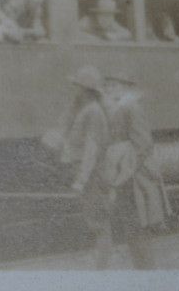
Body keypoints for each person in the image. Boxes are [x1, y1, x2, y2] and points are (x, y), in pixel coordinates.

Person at [103, 71, 171, 269]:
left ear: (125, 87)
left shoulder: (131, 107)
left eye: (114, 86)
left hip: (135, 178)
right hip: (126, 176)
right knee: (132, 227)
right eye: (107, 86)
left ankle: (147, 274)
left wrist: (125, 171)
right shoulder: (120, 108)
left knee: (138, 226)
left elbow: (143, 144)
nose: (109, 89)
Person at [63, 65, 115, 269]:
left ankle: (102, 268)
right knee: (95, 220)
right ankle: (101, 263)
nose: (74, 90)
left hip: (93, 176)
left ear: (85, 90)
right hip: (92, 175)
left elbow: (91, 150)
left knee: (99, 222)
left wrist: (81, 180)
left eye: (76, 86)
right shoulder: (87, 110)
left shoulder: (92, 112)